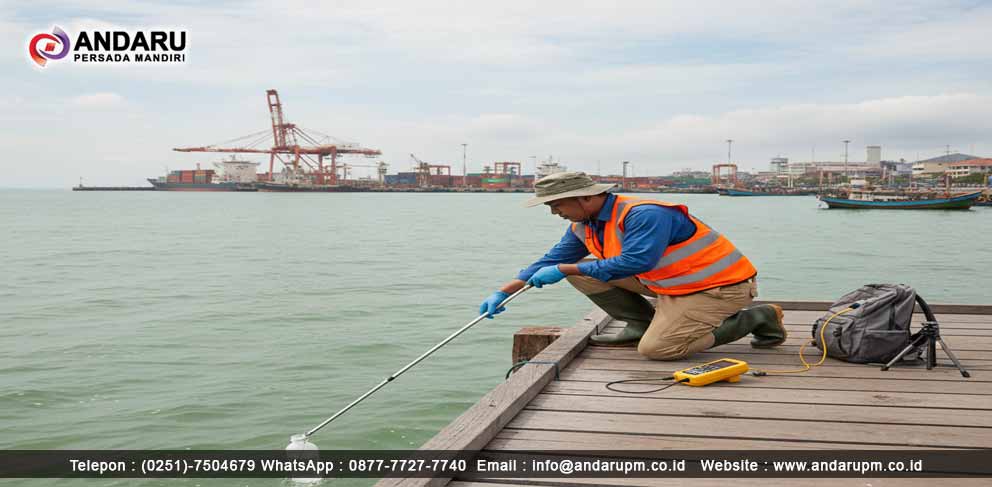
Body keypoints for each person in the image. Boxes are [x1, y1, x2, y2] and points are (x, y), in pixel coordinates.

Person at [479, 172, 786, 361]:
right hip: (670, 285)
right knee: (579, 271)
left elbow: (638, 261)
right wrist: (503, 292)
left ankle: (758, 317)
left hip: (718, 289)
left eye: (556, 205)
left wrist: (565, 270)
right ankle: (640, 323)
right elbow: (550, 261)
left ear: (584, 198)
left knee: (658, 350)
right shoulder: (583, 224)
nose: (554, 212)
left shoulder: (644, 214)